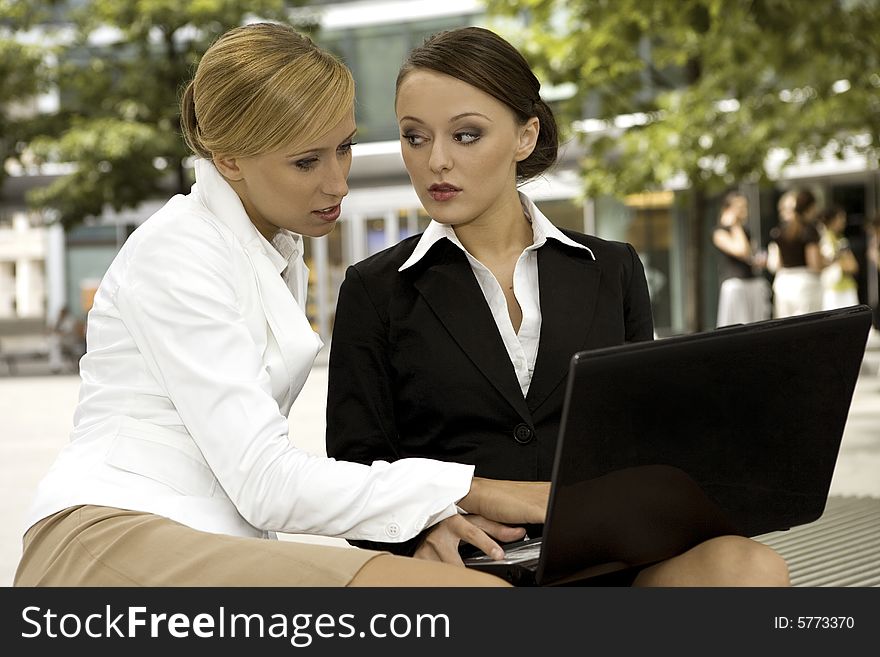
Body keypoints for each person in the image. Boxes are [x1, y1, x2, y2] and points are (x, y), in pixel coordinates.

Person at [13, 22, 550, 588]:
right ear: (228, 159)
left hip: (208, 540)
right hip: (108, 536)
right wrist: (471, 489)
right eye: (306, 162)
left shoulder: (276, 247)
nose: (338, 182)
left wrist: (429, 512)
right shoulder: (178, 248)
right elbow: (265, 481)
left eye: (343, 148)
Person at [326, 26, 789, 586]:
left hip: (608, 555)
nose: (436, 162)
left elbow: (643, 440)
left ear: (525, 137)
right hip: (468, 566)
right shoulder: (376, 288)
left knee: (749, 568)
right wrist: (422, 526)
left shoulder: (612, 269)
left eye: (466, 135)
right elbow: (353, 470)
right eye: (415, 137)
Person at [711, 191, 771, 326]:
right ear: (727, 209)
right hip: (736, 287)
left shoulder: (746, 231)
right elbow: (742, 251)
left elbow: (750, 256)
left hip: (752, 285)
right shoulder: (720, 232)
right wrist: (734, 225)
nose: (744, 211)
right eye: (739, 207)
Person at [766, 188, 823, 317]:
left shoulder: (779, 231)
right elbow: (814, 264)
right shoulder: (809, 230)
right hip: (806, 284)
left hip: (783, 282)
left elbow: (776, 264)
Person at [817, 205, 860, 310]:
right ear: (831, 220)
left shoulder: (841, 240)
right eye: (840, 218)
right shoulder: (823, 239)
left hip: (846, 288)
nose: (844, 221)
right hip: (832, 289)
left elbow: (853, 266)